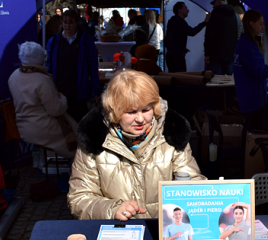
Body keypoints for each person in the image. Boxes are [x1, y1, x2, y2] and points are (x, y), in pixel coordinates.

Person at [68, 70, 205, 220]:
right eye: (131, 112)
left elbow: (193, 183)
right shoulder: (93, 139)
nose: (140, 119)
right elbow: (79, 198)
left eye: (146, 109)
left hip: (162, 232)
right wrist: (112, 209)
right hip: (117, 232)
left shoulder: (173, 134)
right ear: (115, 110)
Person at [8, 41, 78, 158]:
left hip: (22, 126)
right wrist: (63, 99)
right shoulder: (42, 79)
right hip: (41, 128)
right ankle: (78, 166)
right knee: (79, 138)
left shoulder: (13, 76)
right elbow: (55, 110)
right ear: (41, 59)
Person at [233, 9, 268, 131]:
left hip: (247, 96)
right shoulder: (248, 45)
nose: (262, 27)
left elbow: (254, 68)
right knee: (256, 133)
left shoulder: (242, 43)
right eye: (260, 23)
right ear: (251, 24)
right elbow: (260, 72)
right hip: (253, 99)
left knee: (251, 132)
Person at [46, 9, 101, 122]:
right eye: (65, 22)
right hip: (60, 89)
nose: (67, 25)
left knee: (79, 122)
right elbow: (48, 65)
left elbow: (93, 66)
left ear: (76, 23)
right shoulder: (54, 41)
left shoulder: (86, 40)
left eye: (70, 22)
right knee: (63, 124)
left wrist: (96, 89)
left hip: (79, 90)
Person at [165, 1, 209, 72]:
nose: (188, 10)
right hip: (177, 56)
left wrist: (180, 47)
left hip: (171, 55)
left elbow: (170, 38)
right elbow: (191, 32)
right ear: (179, 10)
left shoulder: (172, 21)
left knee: (173, 76)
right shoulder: (179, 21)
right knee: (180, 78)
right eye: (185, 8)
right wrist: (205, 22)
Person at [204, 0, 240, 75]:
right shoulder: (234, 15)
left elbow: (210, 34)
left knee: (210, 77)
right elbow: (238, 33)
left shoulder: (215, 14)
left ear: (219, 2)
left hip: (215, 53)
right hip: (229, 53)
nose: (213, 6)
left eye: (214, 4)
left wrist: (207, 53)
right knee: (228, 78)